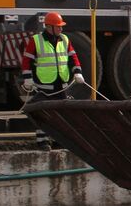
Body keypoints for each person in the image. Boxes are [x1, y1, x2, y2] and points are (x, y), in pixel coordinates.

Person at [21, 11, 84, 146]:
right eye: (58, 26)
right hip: (44, 85)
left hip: (61, 84)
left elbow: (73, 57)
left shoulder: (65, 39)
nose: (61, 28)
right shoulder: (36, 40)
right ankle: (42, 141)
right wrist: (27, 78)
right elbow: (27, 60)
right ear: (49, 27)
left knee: (61, 115)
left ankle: (58, 141)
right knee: (42, 114)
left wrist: (77, 72)